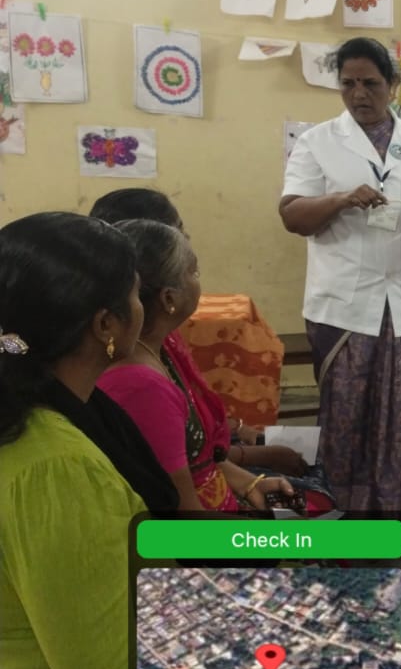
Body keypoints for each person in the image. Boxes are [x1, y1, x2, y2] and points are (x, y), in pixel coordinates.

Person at [0, 213, 401, 669]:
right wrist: (251, 635)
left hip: (88, 665)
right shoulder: (55, 463)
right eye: (133, 291)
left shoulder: (48, 405)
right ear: (107, 325)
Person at [280, 36, 401, 514]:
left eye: (371, 84)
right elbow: (292, 216)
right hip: (344, 306)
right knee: (344, 414)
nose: (359, 94)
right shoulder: (317, 143)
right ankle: (341, 514)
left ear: (393, 84)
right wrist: (341, 199)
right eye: (348, 84)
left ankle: (396, 512)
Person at [90, 188, 307, 473]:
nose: (186, 239)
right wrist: (250, 462)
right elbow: (183, 480)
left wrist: (241, 449)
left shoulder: (155, 341)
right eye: (192, 270)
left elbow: (196, 443)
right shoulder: (139, 379)